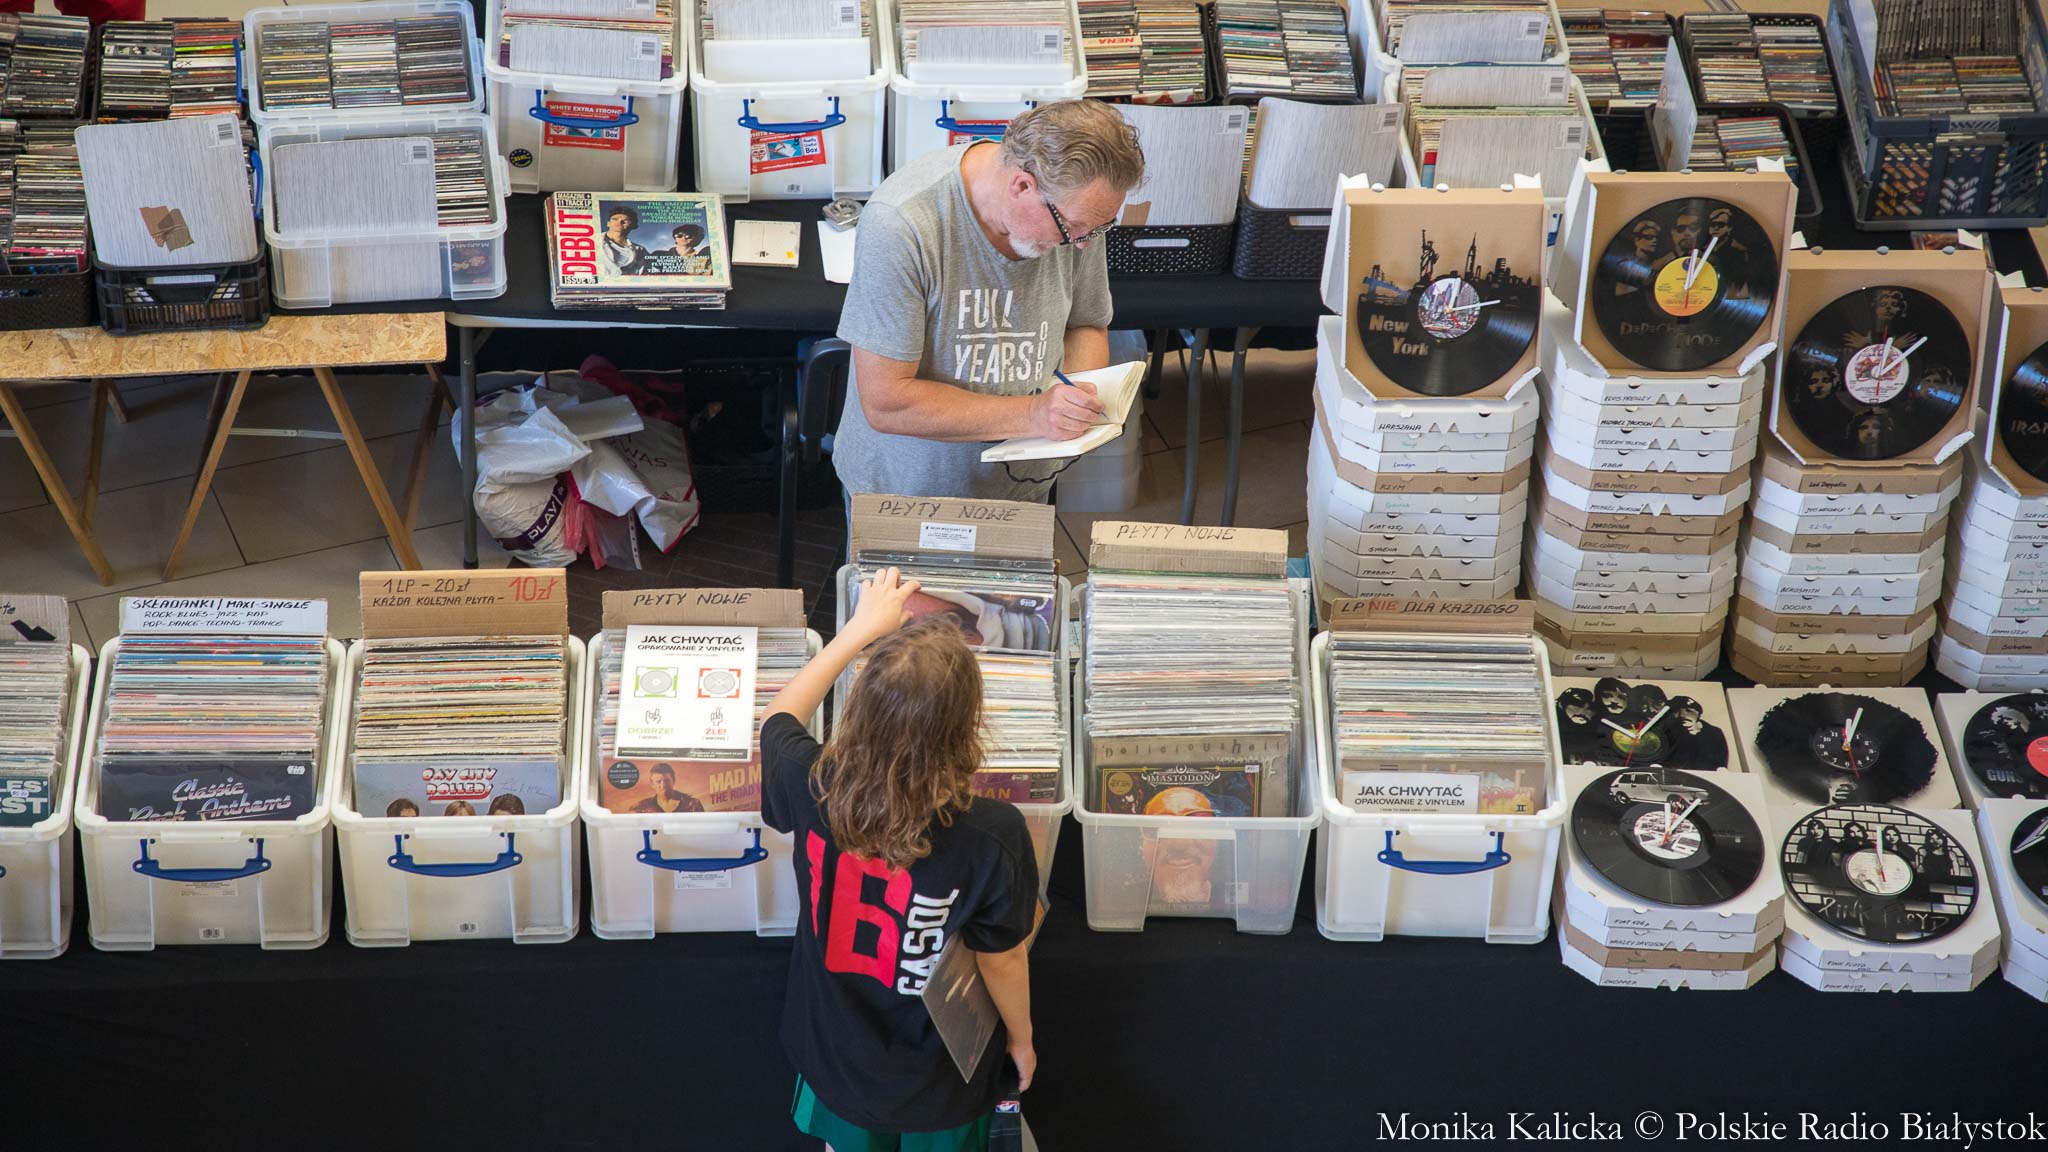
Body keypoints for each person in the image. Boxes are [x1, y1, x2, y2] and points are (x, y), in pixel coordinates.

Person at [761, 568, 1040, 1152]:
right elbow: (1004, 959)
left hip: (834, 1053)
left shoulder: (812, 781)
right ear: (967, 726)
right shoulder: (993, 833)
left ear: (860, 708)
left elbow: (778, 718)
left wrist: (857, 630)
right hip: (937, 1076)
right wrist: (1022, 1038)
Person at [834, 100, 1147, 505]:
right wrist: (1033, 414)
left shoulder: (1077, 213)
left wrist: (1076, 399)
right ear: (1022, 186)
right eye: (1073, 228)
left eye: (1098, 228)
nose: (1083, 243)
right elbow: (886, 402)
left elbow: (1085, 323)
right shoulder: (902, 224)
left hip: (1025, 481)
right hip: (907, 490)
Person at [630, 762, 705, 815]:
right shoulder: (641, 808)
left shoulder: (693, 804)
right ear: (652, 784)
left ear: (673, 781)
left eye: (666, 781)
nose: (663, 785)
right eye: (658, 782)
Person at [600, 204, 649, 276]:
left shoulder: (640, 250)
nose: (619, 222)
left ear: (633, 226)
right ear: (608, 223)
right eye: (615, 219)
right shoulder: (592, 240)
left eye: (625, 220)